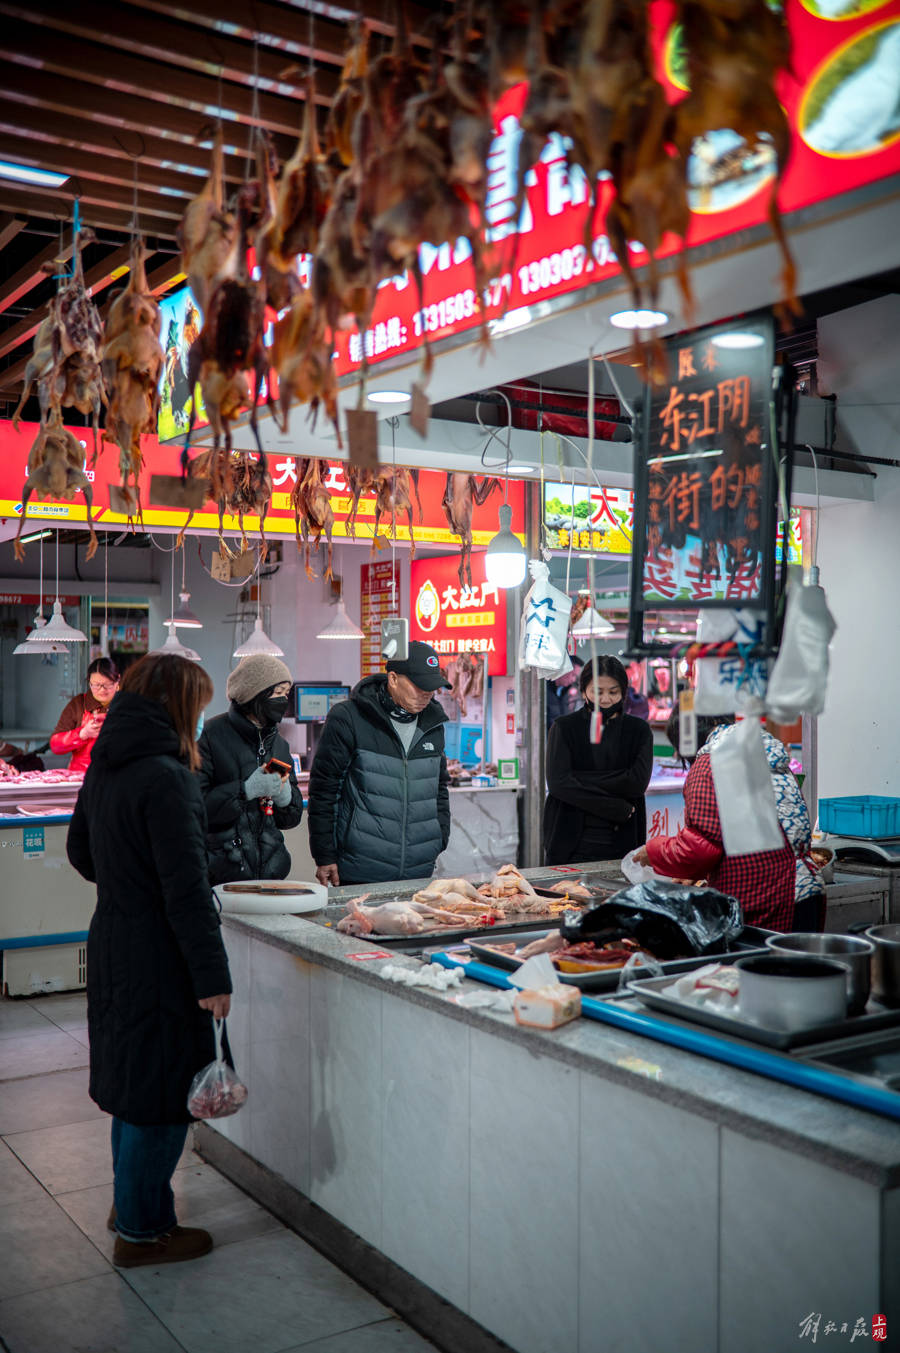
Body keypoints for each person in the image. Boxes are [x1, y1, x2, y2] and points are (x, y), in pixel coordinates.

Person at [66, 653, 232, 1269]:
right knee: (162, 1093)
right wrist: (213, 979)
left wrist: (124, 887)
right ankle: (143, 1231)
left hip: (114, 936)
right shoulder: (168, 776)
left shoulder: (109, 763)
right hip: (160, 954)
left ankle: (128, 1204)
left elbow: (79, 847)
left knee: (133, 1088)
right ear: (179, 705)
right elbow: (187, 893)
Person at [634, 715, 807, 932]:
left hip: (761, 896)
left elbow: (699, 849)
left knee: (753, 965)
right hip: (801, 888)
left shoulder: (709, 763)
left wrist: (654, 851)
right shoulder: (756, 753)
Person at [308, 641, 452, 886]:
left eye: (433, 688)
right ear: (393, 679)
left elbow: (438, 788)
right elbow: (324, 790)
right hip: (360, 868)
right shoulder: (349, 718)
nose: (427, 694)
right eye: (419, 686)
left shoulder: (433, 723)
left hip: (419, 869)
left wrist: (439, 838)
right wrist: (324, 854)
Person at [198, 654, 303, 883]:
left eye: (286, 693)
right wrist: (244, 790)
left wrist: (286, 799)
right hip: (223, 877)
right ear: (254, 695)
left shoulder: (279, 745)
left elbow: (290, 820)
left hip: (272, 876)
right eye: (277, 694)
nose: (283, 700)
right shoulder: (210, 737)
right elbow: (196, 808)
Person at [543, 655, 654, 865]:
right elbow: (558, 784)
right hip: (568, 841)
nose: (605, 699)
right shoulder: (564, 727)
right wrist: (614, 807)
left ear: (623, 691)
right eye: (598, 691)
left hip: (623, 840)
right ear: (584, 690)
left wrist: (580, 779)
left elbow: (637, 783)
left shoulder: (639, 730)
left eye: (613, 692)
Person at [50, 657, 120, 773]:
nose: (102, 690)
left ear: (117, 681)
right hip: (81, 779)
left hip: (117, 778)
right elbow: (55, 745)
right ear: (89, 682)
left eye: (108, 684)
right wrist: (82, 734)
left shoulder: (127, 705)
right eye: (96, 685)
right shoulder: (79, 704)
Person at [546, 656, 583, 729]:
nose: (574, 679)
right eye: (573, 675)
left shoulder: (567, 693)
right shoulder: (544, 690)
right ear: (564, 670)